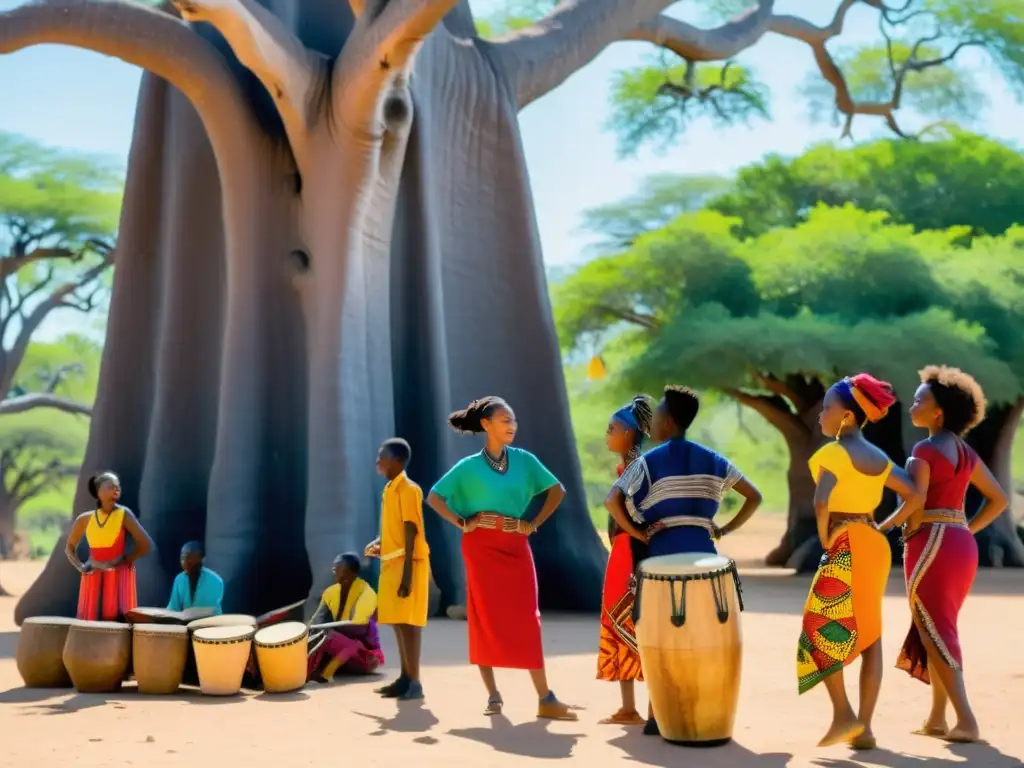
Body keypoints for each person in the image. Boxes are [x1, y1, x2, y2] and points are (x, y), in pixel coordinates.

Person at [607, 385, 763, 735]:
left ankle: (655, 714)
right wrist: (723, 529)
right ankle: (702, 709)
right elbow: (754, 496)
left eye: (659, 414)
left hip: (661, 557)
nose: (656, 420)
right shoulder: (713, 459)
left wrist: (638, 533)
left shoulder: (649, 461)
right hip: (706, 559)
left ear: (669, 422)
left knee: (660, 635)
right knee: (700, 638)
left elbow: (611, 501)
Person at [426, 396, 576, 721]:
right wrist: (462, 522)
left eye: (514, 421)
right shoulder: (467, 467)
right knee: (484, 617)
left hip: (516, 544)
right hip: (480, 546)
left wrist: (533, 523)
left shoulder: (524, 460)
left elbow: (557, 491)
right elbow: (434, 497)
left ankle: (545, 697)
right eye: (505, 420)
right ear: (486, 425)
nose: (512, 426)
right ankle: (493, 694)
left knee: (528, 617)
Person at [880, 366, 1008, 744]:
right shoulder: (965, 452)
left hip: (929, 543)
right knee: (935, 626)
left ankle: (965, 720)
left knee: (936, 629)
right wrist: (965, 528)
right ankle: (937, 718)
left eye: (920, 400)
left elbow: (915, 499)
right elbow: (998, 498)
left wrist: (885, 526)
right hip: (959, 544)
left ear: (938, 412)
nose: (912, 405)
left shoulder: (923, 449)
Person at [796, 374, 923, 750]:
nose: (821, 415)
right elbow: (914, 494)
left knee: (818, 629)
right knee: (870, 635)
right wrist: (883, 525)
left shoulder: (831, 453)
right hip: (873, 543)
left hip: (845, 542)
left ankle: (844, 715)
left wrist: (824, 535)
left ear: (848, 416)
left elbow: (822, 501)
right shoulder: (879, 458)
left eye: (828, 408)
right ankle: (863, 728)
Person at [597, 395, 654, 726]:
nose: (608, 434)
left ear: (630, 434)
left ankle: (647, 706)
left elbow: (631, 511)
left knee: (635, 623)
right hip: (623, 552)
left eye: (612, 429)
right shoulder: (632, 466)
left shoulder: (639, 467)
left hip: (632, 555)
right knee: (622, 623)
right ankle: (629, 707)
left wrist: (634, 533)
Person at [364, 438, 430, 701]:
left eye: (383, 457)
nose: (378, 462)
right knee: (397, 623)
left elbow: (411, 530)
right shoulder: (390, 489)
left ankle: (415, 681)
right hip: (391, 563)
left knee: (410, 623)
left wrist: (407, 578)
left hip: (408, 565)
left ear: (399, 461)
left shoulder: (408, 489)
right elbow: (397, 531)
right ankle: (404, 678)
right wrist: (382, 544)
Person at [65, 471, 153, 621]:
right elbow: (69, 548)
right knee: (90, 623)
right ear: (99, 492)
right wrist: (81, 567)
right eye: (111, 487)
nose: (116, 490)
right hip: (92, 577)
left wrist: (124, 560)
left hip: (118, 577)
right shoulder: (85, 519)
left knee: (117, 624)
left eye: (118, 487)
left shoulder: (123, 515)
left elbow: (145, 544)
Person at [306, 553, 385, 682]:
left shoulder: (367, 593)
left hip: (365, 655)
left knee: (330, 637)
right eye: (334, 568)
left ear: (350, 573)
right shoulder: (330, 592)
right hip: (339, 647)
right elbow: (317, 620)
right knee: (314, 636)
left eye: (338, 568)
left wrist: (326, 630)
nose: (334, 571)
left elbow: (359, 627)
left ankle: (324, 674)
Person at [167, 541, 224, 615]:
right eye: (183, 558)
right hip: (184, 623)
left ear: (202, 560)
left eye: (191, 558)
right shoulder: (179, 579)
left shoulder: (215, 580)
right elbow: (174, 608)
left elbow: (211, 611)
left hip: (209, 623)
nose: (186, 561)